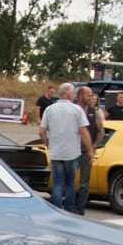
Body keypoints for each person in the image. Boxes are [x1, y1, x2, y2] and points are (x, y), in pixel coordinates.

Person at [38, 82, 92, 212]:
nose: (74, 96)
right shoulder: (77, 110)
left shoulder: (50, 109)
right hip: (72, 152)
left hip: (56, 152)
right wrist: (90, 149)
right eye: (73, 93)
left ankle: (56, 209)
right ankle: (68, 210)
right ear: (69, 95)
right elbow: (84, 131)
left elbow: (41, 131)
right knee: (70, 183)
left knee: (57, 183)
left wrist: (47, 143)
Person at [74, 85, 105, 215]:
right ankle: (69, 207)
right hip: (73, 150)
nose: (91, 97)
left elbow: (101, 131)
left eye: (92, 95)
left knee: (84, 183)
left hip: (86, 152)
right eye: (88, 95)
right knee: (69, 180)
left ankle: (80, 209)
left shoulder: (93, 112)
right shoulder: (73, 110)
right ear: (80, 96)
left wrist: (94, 146)